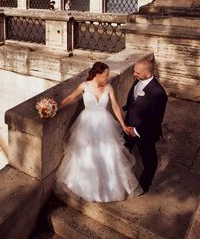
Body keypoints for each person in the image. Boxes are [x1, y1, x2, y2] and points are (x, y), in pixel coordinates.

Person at [55, 62, 141, 202]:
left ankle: (110, 188)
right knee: (87, 154)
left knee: (109, 154)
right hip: (87, 123)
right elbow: (71, 98)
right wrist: (55, 108)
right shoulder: (84, 86)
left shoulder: (108, 88)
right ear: (98, 74)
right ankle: (87, 187)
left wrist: (123, 124)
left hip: (104, 124)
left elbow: (114, 106)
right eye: (106, 74)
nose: (108, 77)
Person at [123, 59, 168, 193]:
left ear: (148, 73)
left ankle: (144, 185)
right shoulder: (138, 80)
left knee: (149, 161)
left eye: (137, 72)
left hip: (145, 133)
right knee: (121, 152)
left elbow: (155, 120)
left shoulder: (158, 94)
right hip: (128, 126)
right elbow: (132, 100)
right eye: (134, 71)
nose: (134, 74)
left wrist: (136, 130)